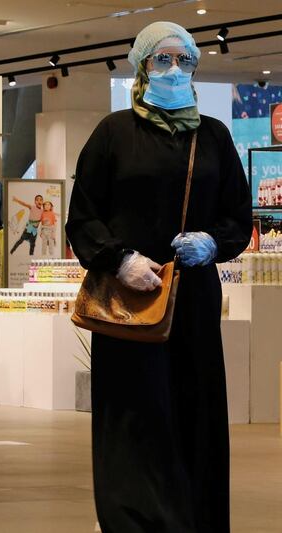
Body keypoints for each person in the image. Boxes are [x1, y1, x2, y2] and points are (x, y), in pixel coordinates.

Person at [66, 21, 252, 533]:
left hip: (192, 303)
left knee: (196, 410)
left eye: (185, 61)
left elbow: (238, 214)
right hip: (129, 303)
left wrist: (213, 243)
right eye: (162, 60)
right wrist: (118, 258)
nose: (175, 71)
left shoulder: (213, 136)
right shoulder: (113, 134)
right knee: (133, 413)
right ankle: (134, 520)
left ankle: (196, 519)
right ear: (141, 65)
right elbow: (82, 216)